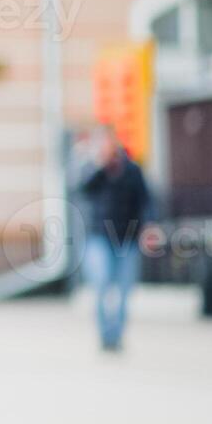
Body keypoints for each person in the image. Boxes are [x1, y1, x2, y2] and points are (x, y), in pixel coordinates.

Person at [75, 123, 156, 353]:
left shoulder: (131, 169)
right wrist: (101, 165)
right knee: (100, 284)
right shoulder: (92, 168)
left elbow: (146, 200)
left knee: (124, 290)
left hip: (127, 237)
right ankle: (104, 335)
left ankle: (116, 336)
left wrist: (149, 225)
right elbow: (83, 189)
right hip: (99, 237)